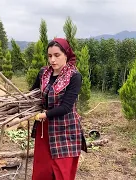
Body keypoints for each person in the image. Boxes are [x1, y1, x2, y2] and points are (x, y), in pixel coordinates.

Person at [29, 38, 87, 180]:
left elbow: (66, 107)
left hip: (65, 129)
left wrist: (43, 115)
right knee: (42, 169)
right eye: (50, 56)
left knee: (61, 171)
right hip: (45, 130)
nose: (52, 60)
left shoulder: (74, 76)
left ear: (66, 55)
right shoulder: (44, 73)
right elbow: (33, 93)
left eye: (57, 55)